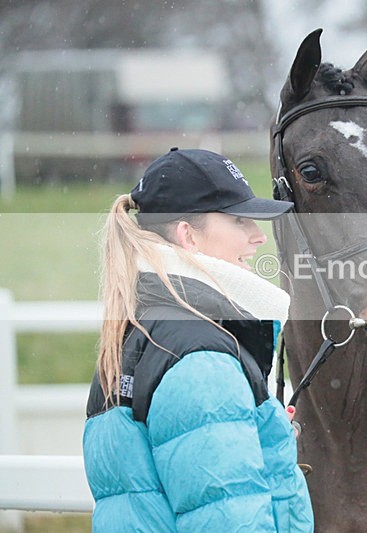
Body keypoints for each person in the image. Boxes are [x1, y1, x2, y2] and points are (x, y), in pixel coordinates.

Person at [83, 147, 313, 531]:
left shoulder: (141, 332)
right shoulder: (203, 361)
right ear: (187, 236)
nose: (258, 237)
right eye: (240, 220)